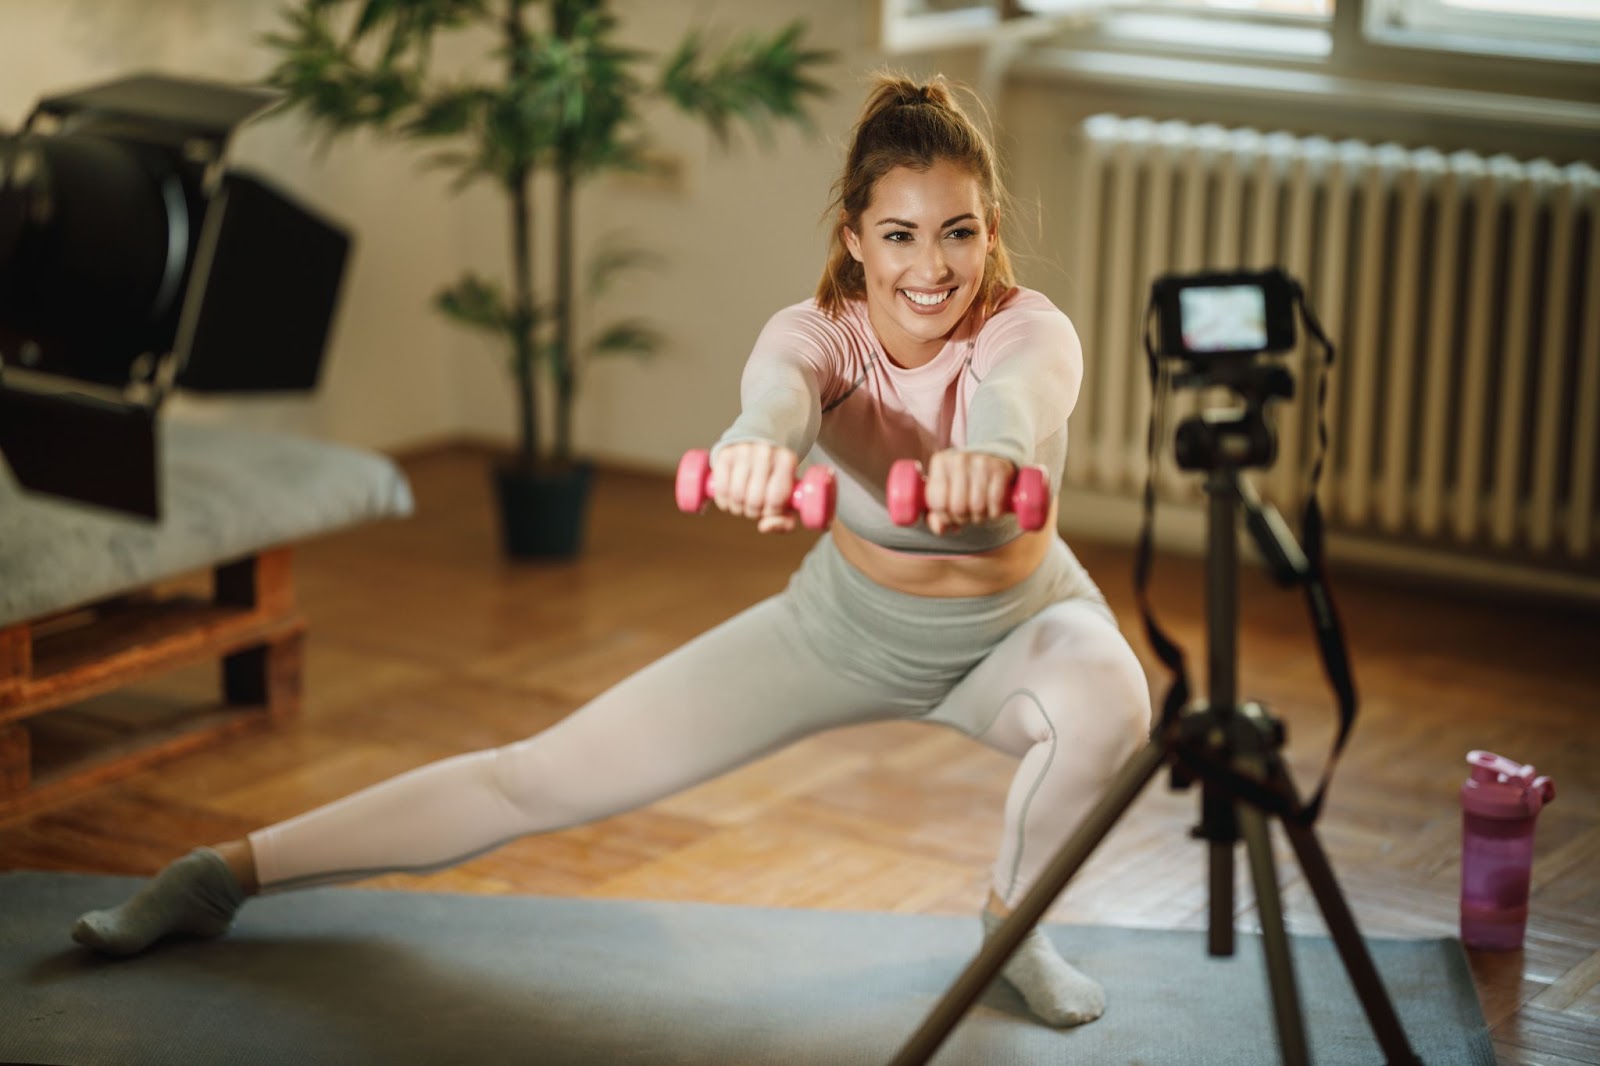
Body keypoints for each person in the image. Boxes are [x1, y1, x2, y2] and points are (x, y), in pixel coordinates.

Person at [71, 73, 1152, 1030]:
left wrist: (989, 456)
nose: (932, 265)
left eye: (958, 231)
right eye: (902, 234)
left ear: (991, 229)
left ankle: (1012, 931)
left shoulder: (1028, 329)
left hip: (1017, 633)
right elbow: (772, 403)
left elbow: (1017, 405)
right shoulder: (816, 334)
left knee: (1111, 695)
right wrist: (749, 454)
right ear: (856, 238)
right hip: (842, 629)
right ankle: (217, 873)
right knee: (533, 778)